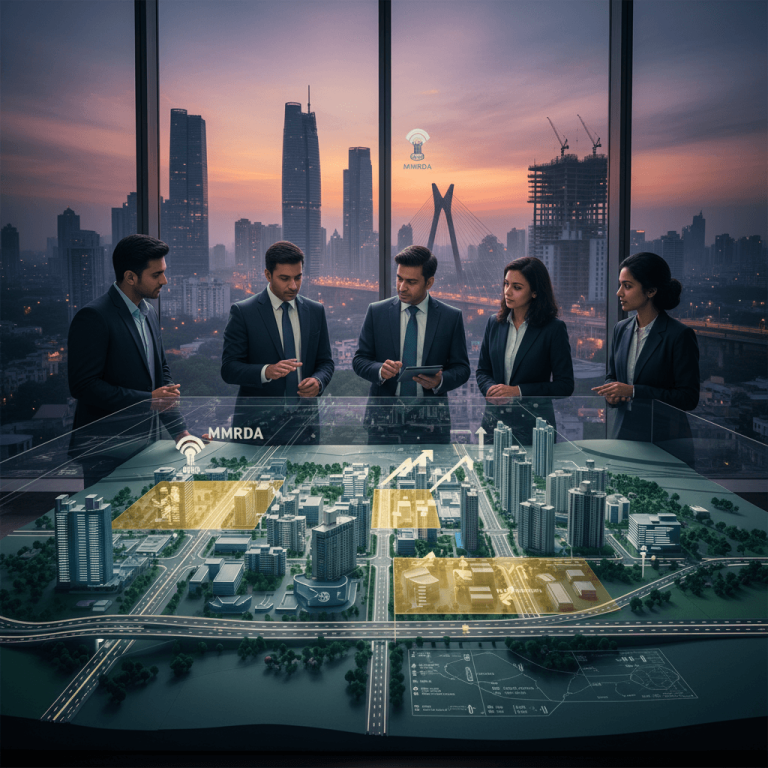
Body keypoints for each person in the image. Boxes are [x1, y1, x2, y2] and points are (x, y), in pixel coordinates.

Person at [67, 234, 189, 482]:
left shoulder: (149, 312)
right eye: (156, 274)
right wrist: (148, 400)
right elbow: (83, 386)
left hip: (146, 446)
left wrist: (180, 432)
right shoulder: (93, 317)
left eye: (163, 272)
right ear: (131, 277)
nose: (164, 281)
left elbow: (161, 374)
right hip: (105, 450)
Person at [353, 245, 470, 443]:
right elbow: (359, 360)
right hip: (383, 422)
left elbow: (462, 368)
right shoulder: (376, 312)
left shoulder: (450, 317)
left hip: (432, 424)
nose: (401, 287)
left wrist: (440, 381)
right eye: (399, 278)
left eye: (411, 282)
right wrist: (380, 370)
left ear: (429, 282)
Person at [221, 241, 334, 444]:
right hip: (256, 427)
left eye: (298, 277)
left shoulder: (315, 311)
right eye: (284, 278)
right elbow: (229, 369)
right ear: (268, 275)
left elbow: (325, 362)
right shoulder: (243, 312)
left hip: (304, 425)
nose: (293, 286)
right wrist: (267, 371)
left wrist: (318, 381)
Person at [593, 251, 699, 456]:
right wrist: (612, 394)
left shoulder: (679, 335)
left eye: (627, 286)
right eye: (620, 285)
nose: (619, 293)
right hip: (624, 434)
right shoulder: (621, 329)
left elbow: (688, 398)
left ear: (651, 291)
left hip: (665, 441)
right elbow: (612, 376)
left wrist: (633, 391)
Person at [476, 257, 574, 444]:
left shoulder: (553, 329)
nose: (507, 291)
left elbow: (565, 385)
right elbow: (482, 371)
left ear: (535, 292)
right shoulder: (494, 323)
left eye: (517, 287)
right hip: (494, 424)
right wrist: (491, 390)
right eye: (506, 284)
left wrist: (518, 391)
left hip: (534, 427)